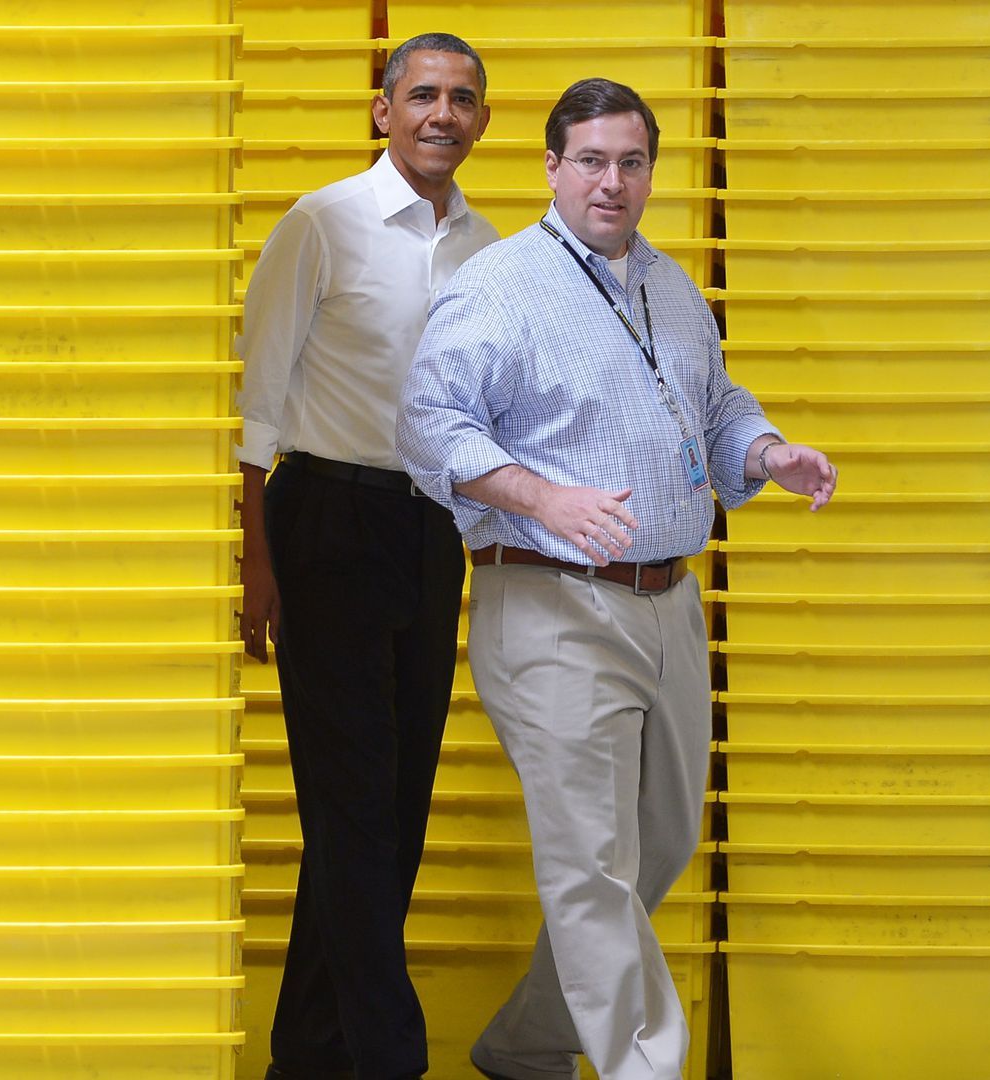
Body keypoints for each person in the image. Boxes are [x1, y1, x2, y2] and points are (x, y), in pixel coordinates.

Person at [396, 78, 837, 1080]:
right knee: (593, 862)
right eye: (590, 160)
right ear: (551, 166)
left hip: (670, 606)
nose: (612, 181)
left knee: (656, 845)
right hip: (551, 605)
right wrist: (545, 499)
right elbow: (430, 425)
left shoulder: (673, 289)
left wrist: (767, 453)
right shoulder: (499, 284)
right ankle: (645, 1067)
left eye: (631, 162)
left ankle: (526, 1045)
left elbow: (718, 406)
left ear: (650, 172)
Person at [237, 31, 500, 1080]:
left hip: (429, 532)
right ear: (383, 111)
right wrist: (260, 560)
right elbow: (257, 407)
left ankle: (307, 1054)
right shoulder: (322, 224)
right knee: (349, 806)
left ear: (484, 120)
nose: (444, 112)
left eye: (464, 98)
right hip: (327, 525)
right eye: (424, 94)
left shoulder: (491, 251)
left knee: (393, 803)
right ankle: (392, 1059)